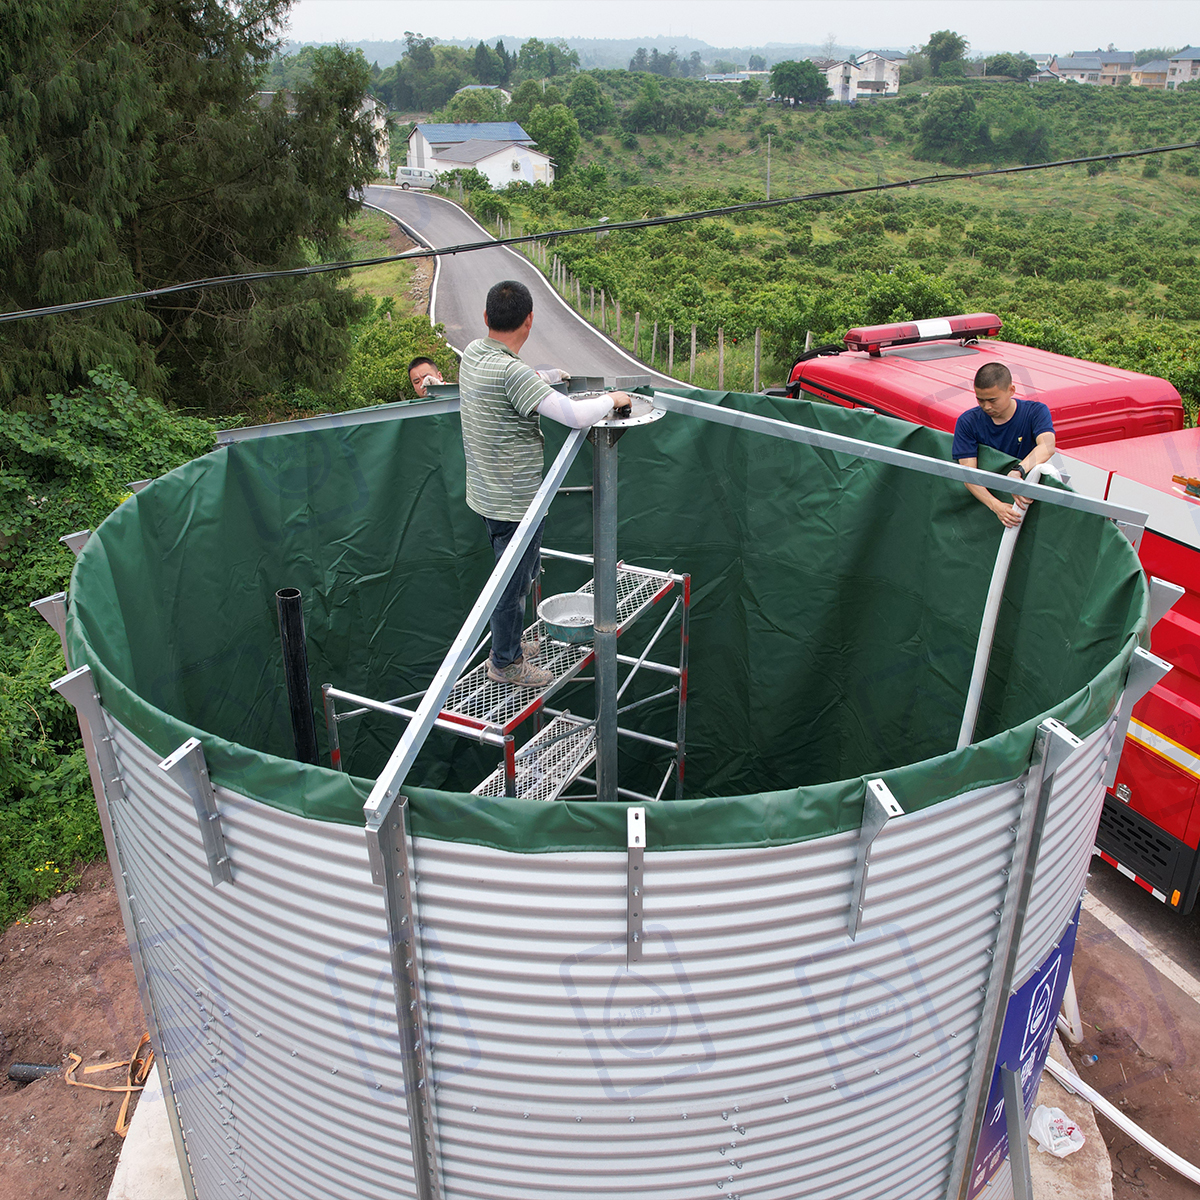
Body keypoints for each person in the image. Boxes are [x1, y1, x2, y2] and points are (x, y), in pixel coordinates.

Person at [460, 279, 631, 687]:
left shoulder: (474, 354)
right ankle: (506, 663)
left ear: (485, 317)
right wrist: (614, 399)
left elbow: (520, 380)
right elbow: (574, 415)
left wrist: (551, 375)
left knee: (515, 578)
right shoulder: (511, 372)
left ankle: (509, 645)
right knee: (511, 587)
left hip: (486, 495)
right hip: (515, 506)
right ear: (530, 320)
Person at [952, 362, 1056, 528]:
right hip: (983, 513)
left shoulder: (1036, 412)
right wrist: (997, 506)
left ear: (1011, 390)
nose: (986, 406)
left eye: (992, 400)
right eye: (980, 400)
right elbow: (968, 475)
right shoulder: (967, 422)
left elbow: (1048, 446)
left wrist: (1018, 471)